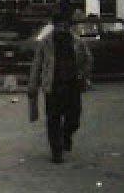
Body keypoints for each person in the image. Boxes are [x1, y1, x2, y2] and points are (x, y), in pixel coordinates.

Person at [28, 11, 93, 164]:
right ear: (54, 26)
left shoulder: (77, 42)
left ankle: (66, 135)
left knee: (74, 118)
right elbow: (37, 65)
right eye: (58, 25)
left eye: (64, 25)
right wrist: (33, 85)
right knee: (53, 119)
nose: (62, 28)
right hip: (53, 85)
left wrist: (83, 74)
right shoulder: (46, 43)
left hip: (72, 85)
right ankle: (56, 151)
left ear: (69, 26)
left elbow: (88, 60)